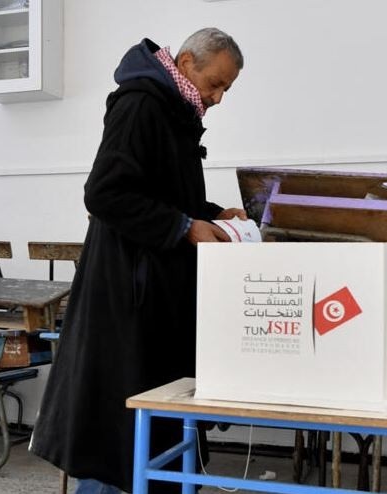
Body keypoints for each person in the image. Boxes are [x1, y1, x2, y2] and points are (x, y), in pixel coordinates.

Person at [30, 28, 246, 493]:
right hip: (128, 297)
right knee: (121, 434)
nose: (218, 97)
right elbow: (105, 193)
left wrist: (211, 214)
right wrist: (184, 227)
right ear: (186, 63)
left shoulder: (174, 111)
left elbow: (162, 194)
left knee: (145, 428)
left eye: (226, 88)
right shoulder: (142, 103)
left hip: (149, 294)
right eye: (215, 84)